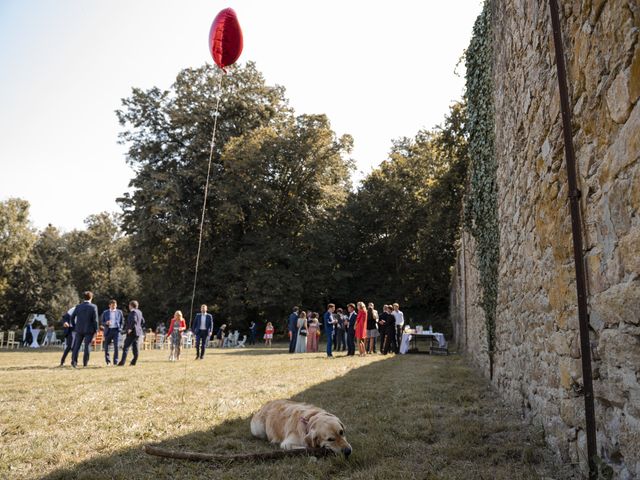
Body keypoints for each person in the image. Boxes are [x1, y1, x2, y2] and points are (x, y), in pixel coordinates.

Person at [70, 291, 100, 368]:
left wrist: (74, 326)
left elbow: (72, 317)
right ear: (91, 297)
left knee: (77, 346)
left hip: (79, 329)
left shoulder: (78, 306)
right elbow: (95, 320)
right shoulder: (93, 307)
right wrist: (96, 330)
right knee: (87, 346)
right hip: (89, 330)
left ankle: (74, 362)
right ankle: (85, 363)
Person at [118, 300, 145, 366]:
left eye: (129, 305)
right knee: (135, 348)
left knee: (126, 347)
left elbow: (134, 320)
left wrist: (130, 328)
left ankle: (122, 362)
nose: (129, 307)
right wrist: (138, 327)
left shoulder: (133, 312)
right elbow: (143, 321)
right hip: (138, 332)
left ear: (131, 305)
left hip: (132, 332)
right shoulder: (139, 312)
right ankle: (133, 362)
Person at [101, 299, 124, 366]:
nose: (114, 306)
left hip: (116, 331)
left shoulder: (119, 312)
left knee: (116, 346)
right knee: (106, 347)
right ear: (109, 305)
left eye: (115, 305)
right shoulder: (105, 312)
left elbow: (122, 321)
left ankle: (115, 361)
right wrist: (106, 323)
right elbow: (102, 322)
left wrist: (120, 328)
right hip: (108, 331)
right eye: (112, 305)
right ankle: (108, 361)